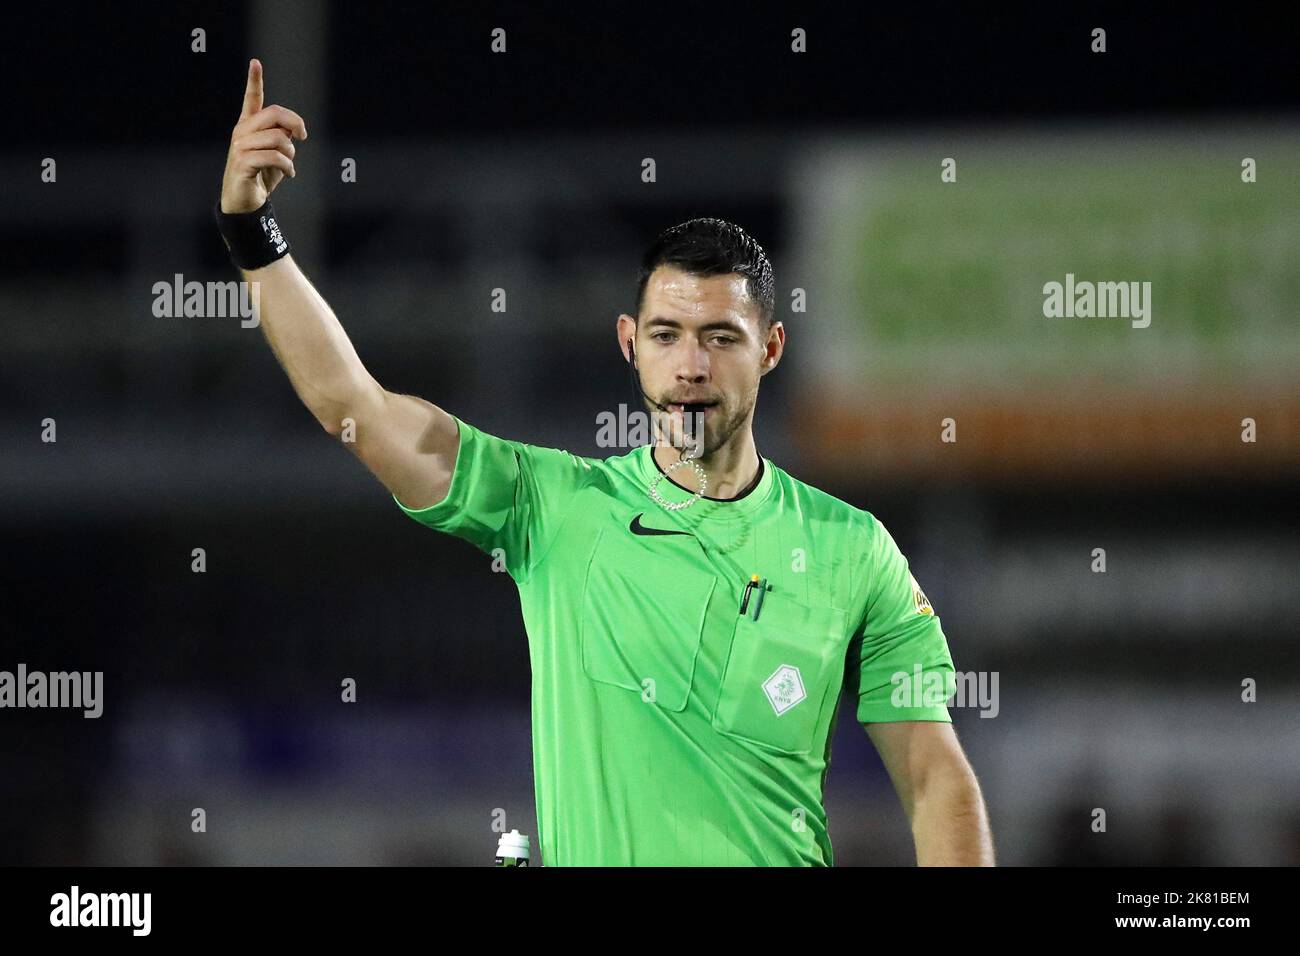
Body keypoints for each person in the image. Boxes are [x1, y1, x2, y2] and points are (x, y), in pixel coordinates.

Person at [215, 58, 995, 866]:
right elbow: (357, 407)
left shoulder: (852, 548)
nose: (691, 365)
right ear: (631, 345)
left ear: (770, 349)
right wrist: (251, 230)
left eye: (720, 338)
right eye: (666, 336)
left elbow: (937, 780)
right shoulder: (553, 507)